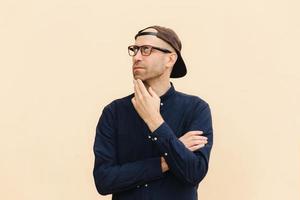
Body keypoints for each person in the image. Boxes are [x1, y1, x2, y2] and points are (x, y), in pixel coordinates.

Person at [93, 25, 213, 200]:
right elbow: (104, 181)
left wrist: (155, 121)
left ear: (170, 59)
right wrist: (167, 159)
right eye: (134, 50)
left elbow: (193, 172)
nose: (137, 57)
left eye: (146, 50)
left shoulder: (196, 108)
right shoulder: (114, 112)